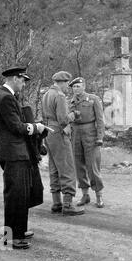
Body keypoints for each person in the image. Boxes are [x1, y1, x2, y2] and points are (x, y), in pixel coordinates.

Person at [0, 66, 46, 249]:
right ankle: (12, 237)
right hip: (14, 154)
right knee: (15, 196)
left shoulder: (6, 96)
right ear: (15, 78)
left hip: (16, 153)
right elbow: (16, 127)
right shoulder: (6, 98)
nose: (23, 84)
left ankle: (18, 231)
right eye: (23, 80)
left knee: (20, 195)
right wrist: (35, 127)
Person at [42, 71, 84, 216]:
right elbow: (63, 119)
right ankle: (67, 204)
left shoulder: (46, 94)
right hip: (59, 133)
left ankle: (56, 203)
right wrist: (74, 115)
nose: (68, 87)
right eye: (67, 83)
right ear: (62, 82)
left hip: (48, 132)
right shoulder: (59, 96)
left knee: (54, 169)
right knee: (67, 167)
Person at [68, 77, 105, 208]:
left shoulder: (93, 99)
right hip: (76, 133)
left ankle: (99, 195)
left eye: (78, 86)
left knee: (92, 166)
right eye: (73, 87)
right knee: (79, 166)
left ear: (84, 86)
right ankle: (85, 194)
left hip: (90, 133)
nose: (75, 89)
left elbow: (100, 120)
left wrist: (100, 137)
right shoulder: (71, 101)